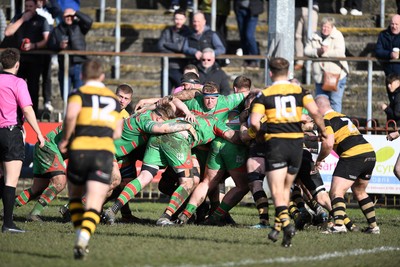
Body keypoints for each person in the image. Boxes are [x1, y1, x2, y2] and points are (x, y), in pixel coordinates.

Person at [249, 57, 327, 247]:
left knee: (277, 190)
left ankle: (285, 224)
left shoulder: (264, 94)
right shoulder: (301, 91)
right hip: (296, 146)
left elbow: (253, 122)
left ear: (270, 73)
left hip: (276, 144)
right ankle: (279, 227)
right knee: (286, 188)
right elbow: (316, 113)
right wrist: (324, 131)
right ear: (288, 71)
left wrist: (259, 133)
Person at [57, 59, 123, 260]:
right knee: (95, 202)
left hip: (80, 151)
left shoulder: (78, 94)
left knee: (75, 198)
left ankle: (79, 235)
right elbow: (118, 132)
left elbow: (70, 118)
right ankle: (83, 240)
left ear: (82, 76)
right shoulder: (112, 99)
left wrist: (66, 139)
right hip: (103, 154)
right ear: (102, 76)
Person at [314, 95, 379, 234]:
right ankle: (374, 227)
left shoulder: (327, 120)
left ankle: (338, 225)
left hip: (353, 155)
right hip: (369, 153)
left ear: (319, 107)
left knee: (336, 192)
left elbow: (329, 143)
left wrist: (319, 159)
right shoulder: (342, 116)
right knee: (360, 191)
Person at [0, 48, 45, 233]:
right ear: (17, 64)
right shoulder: (18, 82)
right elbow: (27, 109)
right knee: (11, 180)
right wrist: (39, 134)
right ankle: (8, 224)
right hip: (11, 133)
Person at [3, 0, 50, 113]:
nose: (28, 8)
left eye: (31, 6)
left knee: (33, 88)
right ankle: (16, 114)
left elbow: (46, 39)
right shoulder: (18, 18)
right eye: (27, 6)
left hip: (35, 59)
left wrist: (34, 45)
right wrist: (23, 19)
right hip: (19, 61)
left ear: (35, 7)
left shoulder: (41, 20)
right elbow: (8, 32)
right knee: (16, 88)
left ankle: (32, 113)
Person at [14, 125, 67, 222]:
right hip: (48, 147)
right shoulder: (85, 123)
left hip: (43, 146)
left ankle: (8, 210)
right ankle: (34, 214)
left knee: (38, 188)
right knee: (60, 182)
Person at [304, 16, 349, 112]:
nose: (325, 29)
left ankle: (336, 125)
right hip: (319, 76)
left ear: (332, 27)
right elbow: (307, 51)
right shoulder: (314, 36)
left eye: (328, 27)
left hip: (336, 75)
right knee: (320, 101)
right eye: (323, 26)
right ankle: (323, 124)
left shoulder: (338, 35)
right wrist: (318, 51)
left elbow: (340, 52)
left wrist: (324, 53)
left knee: (335, 101)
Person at [47, 7, 93, 102]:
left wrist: (76, 13)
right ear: (63, 17)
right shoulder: (57, 29)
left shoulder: (79, 26)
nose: (69, 18)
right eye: (66, 16)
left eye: (71, 16)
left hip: (78, 65)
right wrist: (59, 45)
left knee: (80, 95)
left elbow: (89, 21)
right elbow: (50, 45)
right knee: (65, 95)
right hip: (64, 66)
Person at [36, 0, 62, 112]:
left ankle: (47, 101)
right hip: (35, 41)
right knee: (34, 77)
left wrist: (46, 3)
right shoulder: (31, 5)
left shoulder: (50, 4)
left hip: (47, 44)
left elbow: (57, 12)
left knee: (47, 75)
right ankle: (34, 102)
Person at [157, 9, 191, 93]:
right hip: (167, 67)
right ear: (173, 19)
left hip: (180, 68)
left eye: (181, 19)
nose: (178, 21)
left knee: (181, 95)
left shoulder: (188, 32)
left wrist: (166, 44)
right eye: (176, 19)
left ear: (185, 19)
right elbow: (160, 46)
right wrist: (175, 52)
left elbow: (181, 47)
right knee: (164, 96)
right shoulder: (167, 31)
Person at [233, 0, 264, 69]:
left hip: (253, 10)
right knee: (243, 36)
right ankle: (247, 59)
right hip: (239, 8)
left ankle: (255, 59)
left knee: (249, 35)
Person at [376, 14, 400, 99]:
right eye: (392, 24)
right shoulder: (383, 35)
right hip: (389, 73)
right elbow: (378, 51)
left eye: (397, 24)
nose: (394, 26)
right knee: (392, 100)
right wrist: (390, 54)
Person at [294, 0, 319, 71]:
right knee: (297, 36)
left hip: (311, 6)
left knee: (310, 36)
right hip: (296, 6)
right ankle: (300, 61)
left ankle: (310, 61)